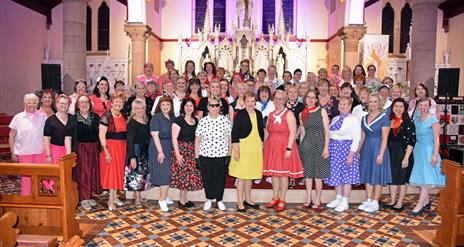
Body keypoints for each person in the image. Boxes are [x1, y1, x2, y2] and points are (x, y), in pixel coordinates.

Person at [263, 90, 303, 211]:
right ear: (273, 100)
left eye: (281, 99)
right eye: (276, 98)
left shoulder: (289, 114)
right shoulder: (270, 114)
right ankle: (275, 197)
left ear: (285, 100)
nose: (278, 101)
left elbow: (293, 132)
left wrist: (289, 148)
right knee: (274, 174)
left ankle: (282, 199)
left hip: (285, 146)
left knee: (283, 174)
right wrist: (265, 146)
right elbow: (268, 132)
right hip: (272, 146)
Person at [409, 98, 446, 216]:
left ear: (429, 106)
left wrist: (435, 155)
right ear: (418, 106)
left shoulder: (433, 120)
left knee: (426, 179)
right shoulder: (416, 120)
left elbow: (436, 139)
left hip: (429, 151)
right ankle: (426, 202)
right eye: (421, 105)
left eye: (425, 105)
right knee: (421, 177)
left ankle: (419, 205)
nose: (423, 108)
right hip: (418, 150)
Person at [325, 96, 361, 212]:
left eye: (345, 104)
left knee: (346, 177)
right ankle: (338, 198)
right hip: (335, 150)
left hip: (346, 150)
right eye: (340, 104)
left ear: (350, 106)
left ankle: (345, 201)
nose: (342, 106)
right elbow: (330, 134)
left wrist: (351, 154)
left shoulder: (353, 119)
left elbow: (357, 138)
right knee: (336, 175)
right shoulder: (335, 118)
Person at [195, 97, 232, 211]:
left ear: (219, 107)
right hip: (205, 155)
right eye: (212, 106)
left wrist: (229, 155)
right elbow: (197, 140)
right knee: (207, 178)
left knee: (220, 178)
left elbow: (230, 139)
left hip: (221, 155)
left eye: (216, 105)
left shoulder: (225, 121)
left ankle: (219, 200)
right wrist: (196, 157)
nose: (214, 108)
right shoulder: (203, 121)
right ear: (208, 107)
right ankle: (209, 199)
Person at [230, 92, 264, 212]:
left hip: (255, 149)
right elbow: (234, 134)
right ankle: (240, 202)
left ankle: (248, 199)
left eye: (252, 101)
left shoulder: (259, 114)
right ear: (244, 102)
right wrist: (236, 151)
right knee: (242, 177)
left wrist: (262, 144)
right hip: (243, 148)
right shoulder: (240, 115)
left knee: (250, 176)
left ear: (255, 102)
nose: (250, 104)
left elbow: (261, 131)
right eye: (248, 101)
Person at [358, 93, 392, 213]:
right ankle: (368, 200)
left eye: (375, 101)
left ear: (379, 103)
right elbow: (362, 137)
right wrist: (358, 151)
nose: (372, 104)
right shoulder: (364, 118)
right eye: (370, 101)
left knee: (377, 175)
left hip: (378, 148)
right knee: (367, 174)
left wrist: (381, 154)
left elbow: (385, 138)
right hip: (367, 149)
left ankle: (375, 202)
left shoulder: (384, 117)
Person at [9, 93, 47, 195]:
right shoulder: (18, 117)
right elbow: (11, 135)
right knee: (26, 179)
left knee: (40, 177)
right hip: (24, 152)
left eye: (34, 102)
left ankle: (41, 198)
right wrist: (13, 152)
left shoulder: (43, 116)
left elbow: (47, 135)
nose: (32, 105)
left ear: (38, 103)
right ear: (25, 103)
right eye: (29, 102)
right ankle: (26, 199)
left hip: (40, 151)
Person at [298, 89, 330, 211]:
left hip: (320, 145)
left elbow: (327, 131)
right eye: (308, 97)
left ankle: (317, 199)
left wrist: (326, 147)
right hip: (307, 145)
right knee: (308, 175)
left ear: (316, 99)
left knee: (317, 175)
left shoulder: (322, 111)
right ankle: (308, 198)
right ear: (305, 99)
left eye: (313, 97)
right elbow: (303, 132)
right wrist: (301, 148)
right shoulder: (302, 114)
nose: (310, 100)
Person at [171, 98, 204, 208]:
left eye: (191, 106)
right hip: (182, 150)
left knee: (189, 176)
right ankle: (182, 200)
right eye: (187, 106)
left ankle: (185, 199)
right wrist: (177, 154)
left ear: (194, 108)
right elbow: (174, 138)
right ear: (183, 107)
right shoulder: (178, 120)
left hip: (192, 150)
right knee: (183, 176)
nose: (189, 108)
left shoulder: (196, 120)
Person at [386, 98, 415, 211]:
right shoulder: (389, 121)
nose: (398, 109)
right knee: (392, 178)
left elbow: (411, 141)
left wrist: (406, 158)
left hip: (402, 153)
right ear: (392, 108)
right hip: (390, 153)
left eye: (401, 106)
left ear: (404, 109)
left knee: (401, 179)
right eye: (396, 106)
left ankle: (400, 202)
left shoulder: (408, 122)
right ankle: (393, 200)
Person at [99, 93, 127, 211]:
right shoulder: (106, 116)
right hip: (111, 147)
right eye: (116, 101)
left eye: (121, 102)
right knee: (112, 173)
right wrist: (106, 152)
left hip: (121, 147)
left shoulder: (122, 115)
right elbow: (101, 135)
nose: (118, 104)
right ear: (111, 102)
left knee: (118, 173)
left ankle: (115, 197)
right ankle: (110, 201)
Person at [72, 94, 101, 210]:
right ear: (77, 105)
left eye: (86, 102)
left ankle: (89, 196)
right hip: (81, 148)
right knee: (84, 173)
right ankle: (84, 198)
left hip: (93, 147)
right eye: (81, 102)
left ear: (90, 104)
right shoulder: (73, 119)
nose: (84, 104)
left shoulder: (95, 117)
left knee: (93, 171)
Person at [149, 96, 175, 212]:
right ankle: (161, 200)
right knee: (166, 173)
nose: (165, 107)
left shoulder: (172, 117)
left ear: (171, 106)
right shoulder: (156, 117)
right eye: (163, 104)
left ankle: (164, 196)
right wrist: (160, 151)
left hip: (169, 146)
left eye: (168, 105)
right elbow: (155, 135)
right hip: (159, 146)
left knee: (167, 173)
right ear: (159, 106)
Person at [125, 99, 150, 208]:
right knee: (135, 175)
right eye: (137, 108)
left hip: (144, 151)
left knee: (141, 175)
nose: (140, 110)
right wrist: (132, 157)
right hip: (136, 150)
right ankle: (137, 199)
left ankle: (138, 195)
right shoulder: (132, 122)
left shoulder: (145, 120)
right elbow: (129, 141)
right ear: (133, 109)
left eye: (142, 108)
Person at [44, 94, 75, 164]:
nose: (63, 105)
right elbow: (46, 139)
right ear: (57, 104)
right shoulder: (50, 120)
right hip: (56, 152)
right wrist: (48, 156)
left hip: (71, 152)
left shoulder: (72, 118)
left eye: (66, 104)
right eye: (61, 103)